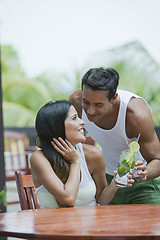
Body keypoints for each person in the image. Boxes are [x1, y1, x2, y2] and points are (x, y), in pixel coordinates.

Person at [69, 67, 160, 204]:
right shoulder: (75, 102)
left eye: (98, 104)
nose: (90, 111)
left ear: (114, 98)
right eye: (86, 102)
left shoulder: (135, 115)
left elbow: (157, 159)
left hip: (142, 186)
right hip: (108, 183)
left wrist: (145, 172)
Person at [30, 100, 133, 208]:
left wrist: (114, 185)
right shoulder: (39, 159)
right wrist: (75, 161)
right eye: (74, 118)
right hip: (54, 224)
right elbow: (68, 200)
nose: (82, 122)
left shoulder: (92, 154)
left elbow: (101, 200)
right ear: (57, 126)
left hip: (91, 223)